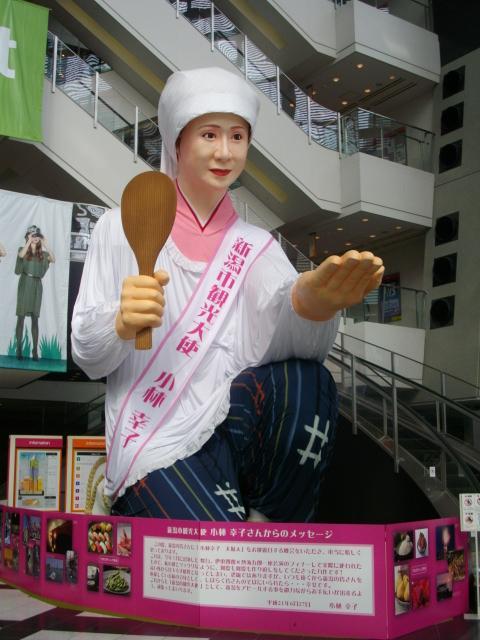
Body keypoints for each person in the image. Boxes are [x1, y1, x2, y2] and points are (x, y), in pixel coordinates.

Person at [72, 67, 384, 522]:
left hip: (231, 421)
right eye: (209, 135)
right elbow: (87, 352)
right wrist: (118, 322)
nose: (224, 152)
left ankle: (269, 518)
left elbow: (278, 344)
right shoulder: (120, 227)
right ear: (177, 141)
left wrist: (308, 305)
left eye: (237, 137)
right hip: (156, 443)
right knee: (215, 552)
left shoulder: (256, 246)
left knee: (310, 379)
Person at [15, 225, 55, 361]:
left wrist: (45, 242)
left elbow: (53, 259)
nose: (35, 237)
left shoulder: (43, 254)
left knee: (35, 319)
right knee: (20, 317)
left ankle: (35, 351)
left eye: (37, 235)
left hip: (37, 285)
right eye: (33, 235)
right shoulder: (22, 250)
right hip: (25, 283)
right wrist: (29, 241)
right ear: (28, 236)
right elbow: (21, 255)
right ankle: (19, 348)